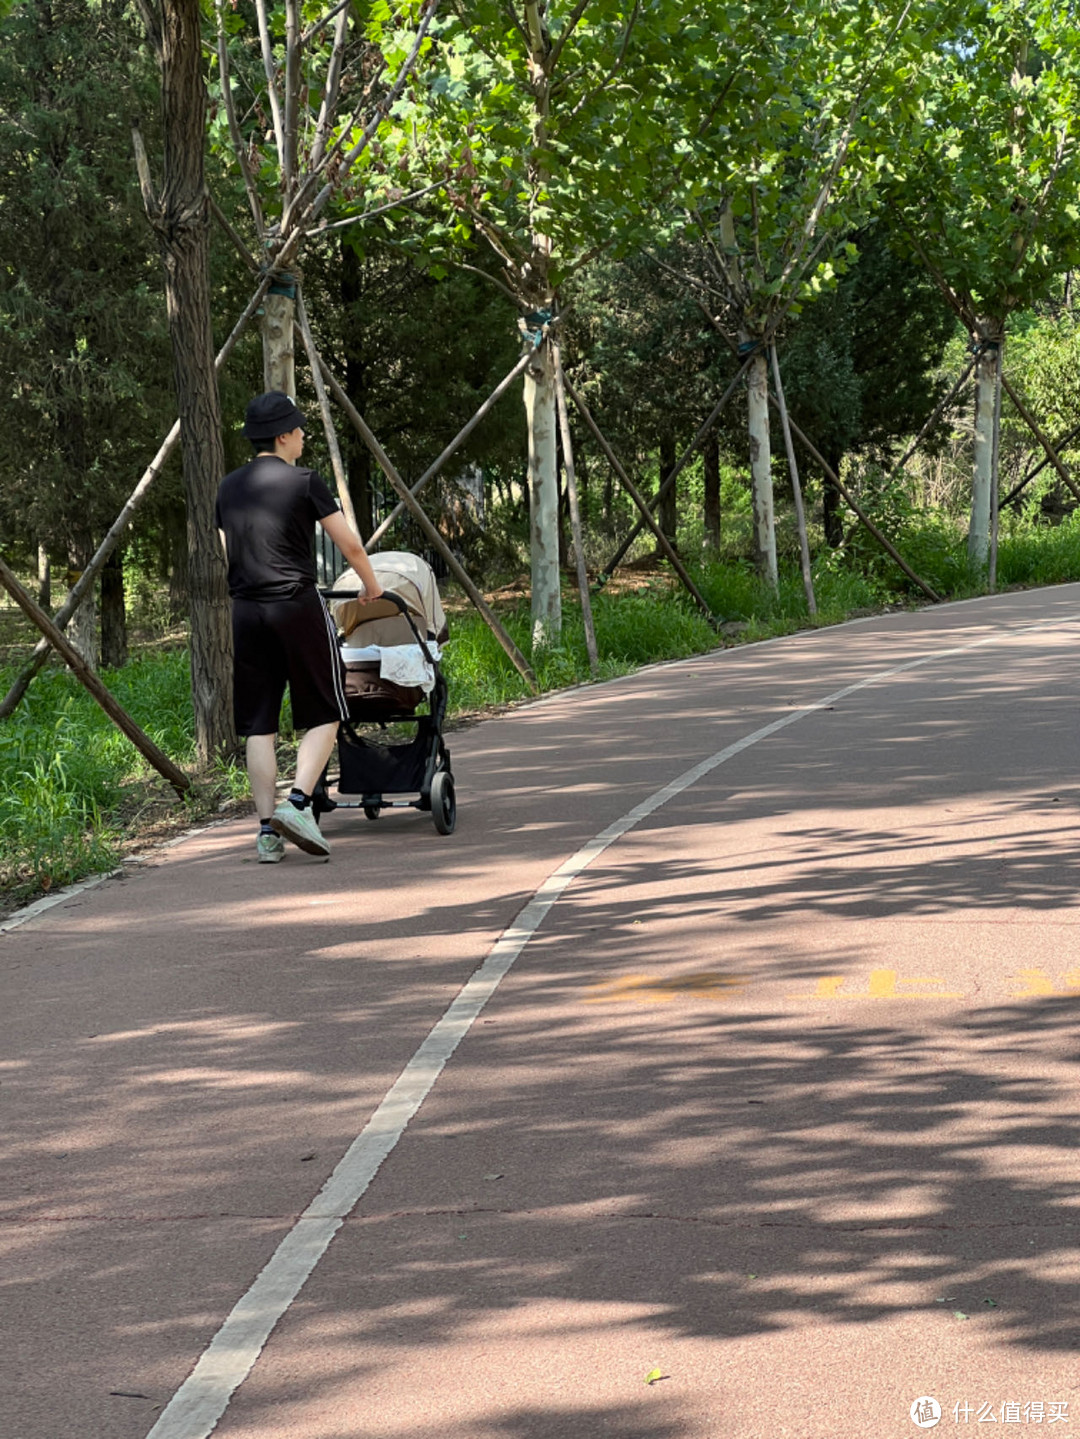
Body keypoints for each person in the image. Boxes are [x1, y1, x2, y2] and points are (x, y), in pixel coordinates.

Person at [216, 391, 383, 862]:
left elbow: (227, 548)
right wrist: (372, 587)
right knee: (327, 708)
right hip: (296, 605)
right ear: (283, 435)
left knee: (259, 724)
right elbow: (348, 544)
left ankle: (268, 833)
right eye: (300, 429)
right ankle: (297, 804)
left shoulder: (228, 487)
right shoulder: (304, 481)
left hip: (246, 611)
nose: (304, 436)